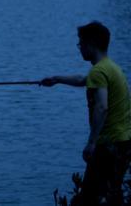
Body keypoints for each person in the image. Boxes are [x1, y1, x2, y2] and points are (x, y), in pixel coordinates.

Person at [41, 21, 131, 205]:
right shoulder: (111, 67)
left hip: (108, 145)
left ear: (92, 43)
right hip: (123, 142)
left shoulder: (99, 72)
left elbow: (101, 107)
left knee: (88, 199)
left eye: (81, 43)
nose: (79, 48)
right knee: (111, 195)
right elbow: (84, 79)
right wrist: (56, 79)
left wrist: (91, 143)